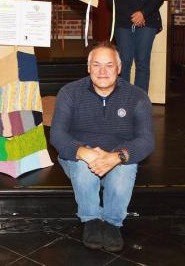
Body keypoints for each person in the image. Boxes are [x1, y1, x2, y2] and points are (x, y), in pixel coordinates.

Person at [50, 42, 154, 252]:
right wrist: (85, 152)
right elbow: (57, 135)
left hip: (117, 155)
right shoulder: (69, 93)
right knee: (83, 164)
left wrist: (116, 157)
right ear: (88, 68)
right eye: (96, 65)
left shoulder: (137, 97)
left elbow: (146, 140)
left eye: (109, 65)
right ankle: (91, 219)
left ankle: (112, 222)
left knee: (126, 164)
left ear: (119, 68)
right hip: (79, 157)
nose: (102, 71)